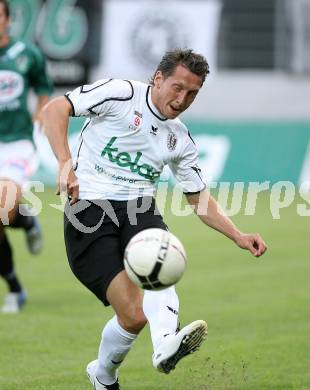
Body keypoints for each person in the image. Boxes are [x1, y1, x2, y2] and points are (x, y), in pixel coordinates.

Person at [43, 48, 267, 389]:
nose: (182, 99)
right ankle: (103, 375)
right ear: (158, 79)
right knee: (132, 317)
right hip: (87, 207)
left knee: (162, 259)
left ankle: (165, 344)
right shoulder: (120, 94)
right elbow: (55, 109)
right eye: (177, 87)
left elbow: (198, 198)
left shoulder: (179, 137)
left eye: (192, 93)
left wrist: (237, 234)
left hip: (138, 209)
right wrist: (64, 162)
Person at [0, 0, 53, 313]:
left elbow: (44, 87)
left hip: (17, 144)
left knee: (3, 207)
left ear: (7, 19)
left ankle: (26, 220)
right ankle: (15, 288)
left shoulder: (26, 54)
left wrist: (39, 117)